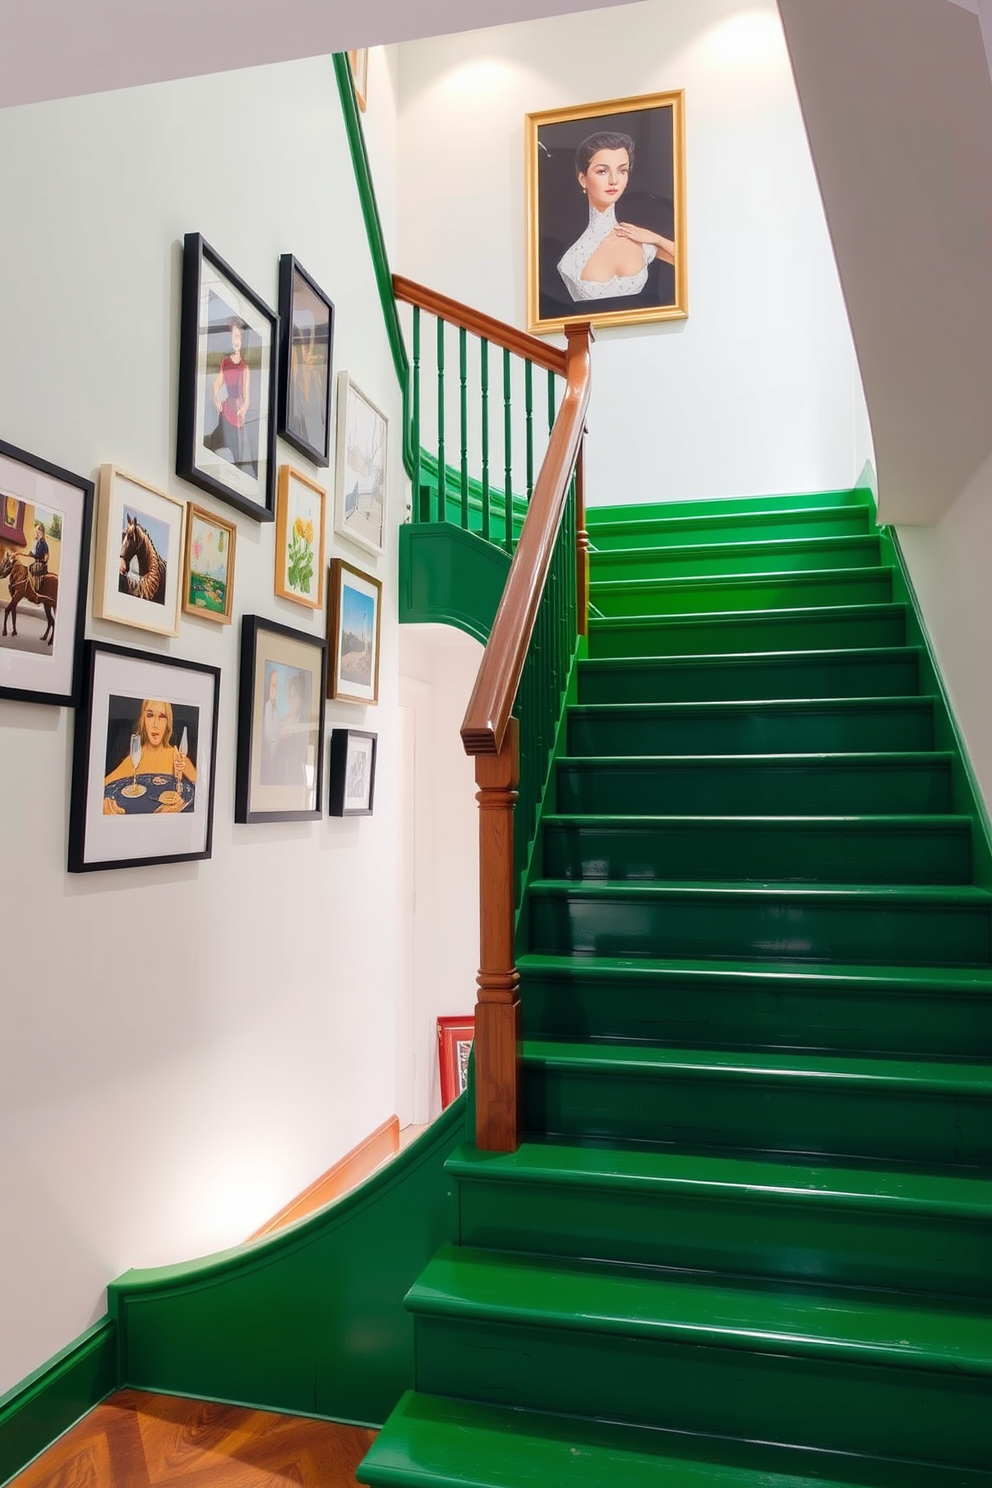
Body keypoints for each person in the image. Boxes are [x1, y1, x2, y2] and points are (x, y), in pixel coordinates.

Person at [556, 131, 675, 303]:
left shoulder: (641, 242)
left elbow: (691, 264)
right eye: (602, 171)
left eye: (622, 171)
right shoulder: (569, 262)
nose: (614, 180)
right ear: (583, 179)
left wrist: (656, 239)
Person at [103, 699, 196, 815]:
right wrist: (105, 803)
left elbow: (204, 793)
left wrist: (181, 803)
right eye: (150, 716)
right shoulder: (134, 759)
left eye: (162, 717)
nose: (155, 725)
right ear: (143, 720)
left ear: (168, 722)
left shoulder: (177, 757)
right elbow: (99, 787)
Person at [211, 317, 250, 469]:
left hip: (237, 415)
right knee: (216, 443)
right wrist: (216, 399)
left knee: (236, 455)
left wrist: (243, 409)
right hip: (226, 410)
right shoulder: (225, 362)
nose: (235, 341)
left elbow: (246, 397)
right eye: (233, 337)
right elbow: (217, 384)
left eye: (238, 337)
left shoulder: (244, 367)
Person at [23, 521, 49, 586]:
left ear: (42, 533)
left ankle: (35, 585)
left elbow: (46, 556)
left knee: (32, 569)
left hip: (40, 563)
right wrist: (29, 554)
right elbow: (34, 552)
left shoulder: (43, 543)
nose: (37, 534)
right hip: (36, 561)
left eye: (39, 533)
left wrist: (42, 561)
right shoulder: (38, 543)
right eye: (36, 532)